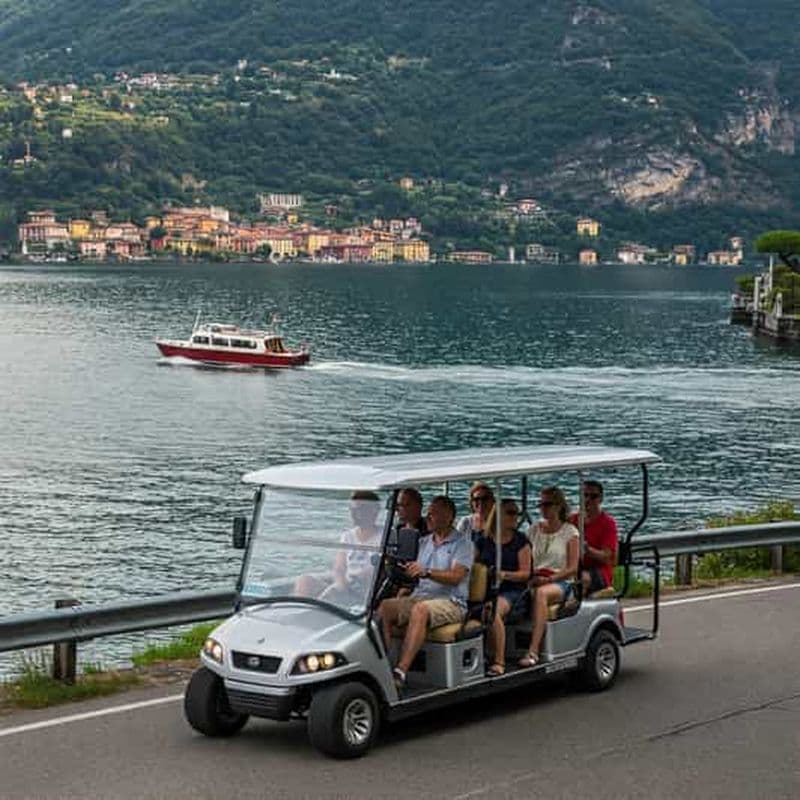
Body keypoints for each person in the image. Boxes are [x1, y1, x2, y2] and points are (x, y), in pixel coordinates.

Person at [377, 495, 473, 689]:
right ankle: (383, 666)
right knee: (385, 607)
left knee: (420, 610)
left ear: (448, 517)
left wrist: (427, 572)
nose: (427, 518)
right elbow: (413, 572)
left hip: (451, 601)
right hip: (421, 596)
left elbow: (456, 577)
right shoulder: (423, 542)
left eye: (433, 514)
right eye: (428, 514)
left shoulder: (463, 545)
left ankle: (401, 671)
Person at [519, 486, 579, 667]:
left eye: (547, 504)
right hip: (535, 578)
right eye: (541, 505)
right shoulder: (533, 530)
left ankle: (533, 650)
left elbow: (572, 568)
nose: (543, 508)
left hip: (561, 581)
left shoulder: (570, 532)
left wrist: (549, 579)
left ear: (559, 506)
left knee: (541, 594)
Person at [474, 498, 531, 675]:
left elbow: (526, 573)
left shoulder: (520, 541)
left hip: (513, 591)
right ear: (498, 515)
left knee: (493, 610)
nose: (516, 517)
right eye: (511, 513)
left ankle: (499, 661)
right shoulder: (482, 539)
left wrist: (504, 574)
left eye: (517, 513)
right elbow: (472, 563)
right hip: (485, 589)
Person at [295, 490, 381, 607]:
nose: (353, 514)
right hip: (347, 586)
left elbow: (378, 570)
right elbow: (339, 568)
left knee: (331, 596)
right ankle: (299, 613)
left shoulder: (384, 536)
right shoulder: (348, 536)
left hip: (366, 593)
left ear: (373, 511)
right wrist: (340, 585)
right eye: (352, 509)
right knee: (304, 581)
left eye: (358, 509)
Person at [570, 480, 618, 595]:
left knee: (582, 579)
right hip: (574, 566)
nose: (588, 500)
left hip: (599, 571)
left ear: (600, 499)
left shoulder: (607, 523)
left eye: (593, 496)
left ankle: (577, 609)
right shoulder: (573, 520)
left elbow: (608, 557)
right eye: (585, 495)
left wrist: (588, 550)